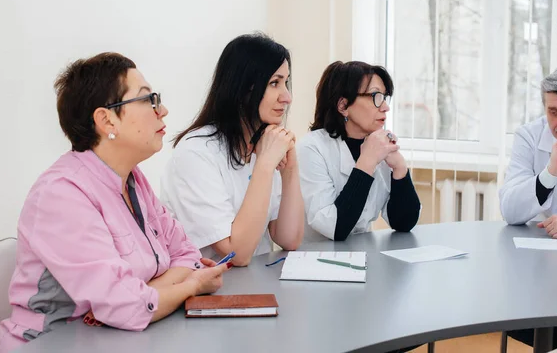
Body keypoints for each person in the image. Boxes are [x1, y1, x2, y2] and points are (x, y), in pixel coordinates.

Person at [0, 53, 229, 353]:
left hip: (122, 338)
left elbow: (185, 254)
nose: (163, 111)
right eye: (148, 100)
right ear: (106, 119)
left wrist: (144, 295)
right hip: (52, 343)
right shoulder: (61, 194)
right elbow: (127, 307)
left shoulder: (132, 179)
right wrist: (193, 286)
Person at [161, 34, 304, 266]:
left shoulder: (262, 144)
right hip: (212, 292)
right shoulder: (196, 153)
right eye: (274, 83)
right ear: (243, 89)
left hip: (257, 285)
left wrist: (290, 170)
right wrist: (265, 165)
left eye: (286, 83)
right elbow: (235, 254)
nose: (287, 97)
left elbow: (289, 238)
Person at [500, 67, 557, 348]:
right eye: (554, 112)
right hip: (542, 272)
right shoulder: (529, 136)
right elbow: (510, 210)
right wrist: (550, 173)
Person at [297, 61, 420, 243]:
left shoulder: (377, 143)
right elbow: (335, 228)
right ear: (343, 105)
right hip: (317, 259)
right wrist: (367, 162)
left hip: (361, 255)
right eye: (375, 96)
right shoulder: (311, 148)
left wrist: (400, 169)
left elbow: (403, 222)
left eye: (385, 97)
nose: (385, 107)